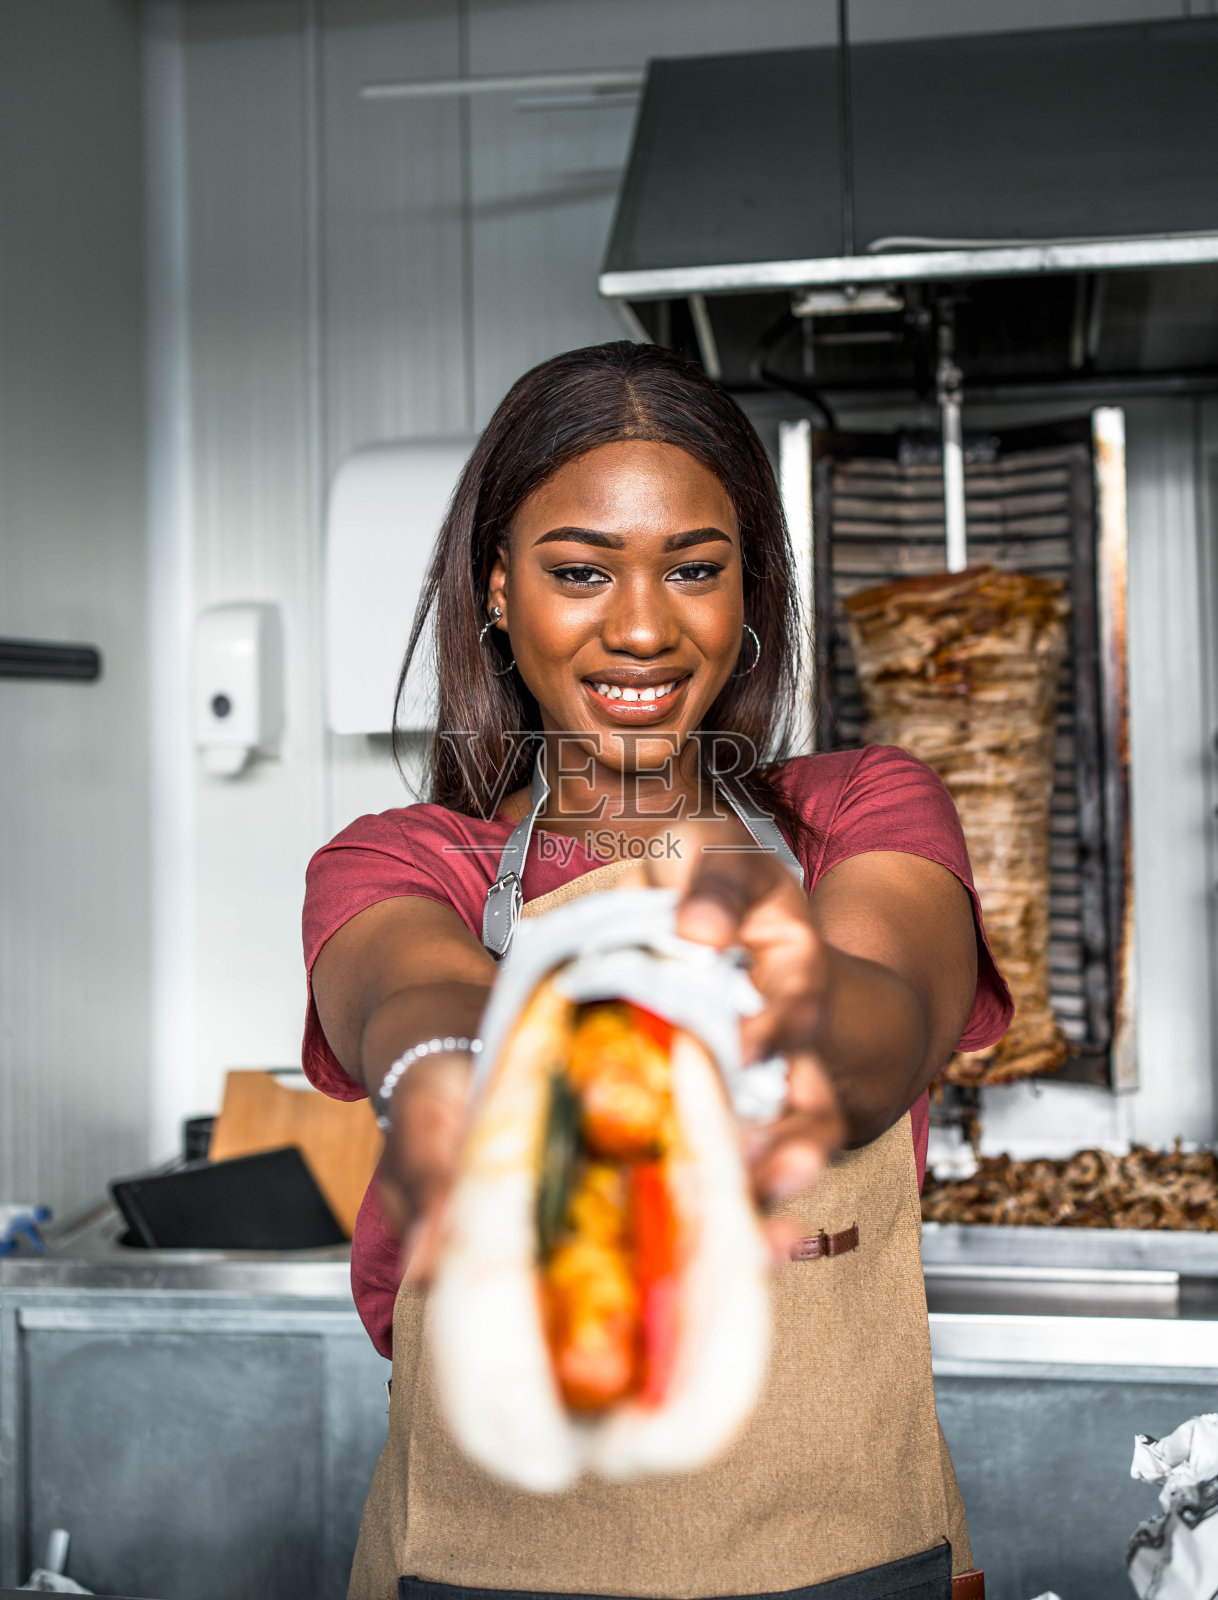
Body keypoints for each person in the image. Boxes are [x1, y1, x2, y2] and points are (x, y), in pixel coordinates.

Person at [302, 341, 1012, 1600]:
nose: (641, 627)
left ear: (749, 595)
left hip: (855, 1557)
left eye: (694, 569)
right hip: (486, 1565)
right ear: (499, 592)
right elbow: (413, 998)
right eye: (580, 572)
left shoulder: (859, 814)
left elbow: (877, 1046)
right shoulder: (406, 862)